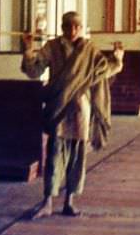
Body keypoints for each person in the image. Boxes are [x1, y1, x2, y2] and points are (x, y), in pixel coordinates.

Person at [21, 11, 124, 218]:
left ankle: (69, 200)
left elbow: (103, 71)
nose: (73, 31)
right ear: (62, 28)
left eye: (77, 27)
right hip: (58, 106)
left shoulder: (89, 50)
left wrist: (117, 59)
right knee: (55, 154)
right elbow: (34, 70)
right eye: (68, 27)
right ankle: (47, 201)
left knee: (77, 155)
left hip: (80, 108)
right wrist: (29, 50)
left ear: (81, 28)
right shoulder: (52, 47)